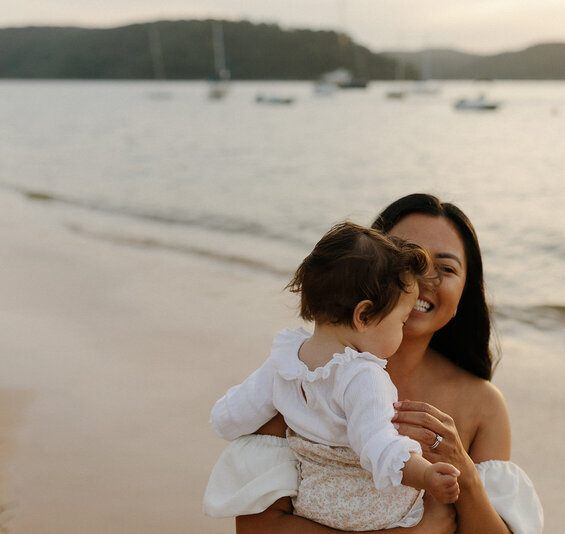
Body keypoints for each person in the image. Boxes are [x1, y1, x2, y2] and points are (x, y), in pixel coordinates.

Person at [208, 194, 543, 534]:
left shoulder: (482, 405)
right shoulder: (307, 377)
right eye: (407, 257)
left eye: (446, 268)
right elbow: (257, 528)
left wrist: (467, 476)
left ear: (463, 296)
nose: (422, 281)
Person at [204, 222, 462, 530]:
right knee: (441, 517)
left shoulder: (284, 361)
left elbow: (230, 418)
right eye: (401, 321)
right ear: (363, 315)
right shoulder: (363, 376)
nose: (402, 333)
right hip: (370, 511)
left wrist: (223, 419)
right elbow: (379, 446)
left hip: (312, 503)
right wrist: (426, 475)